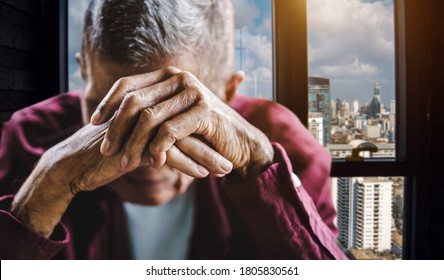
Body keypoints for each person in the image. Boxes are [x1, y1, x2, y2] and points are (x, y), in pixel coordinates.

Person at [0, 0, 346, 259]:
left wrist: (260, 169)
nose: (143, 156)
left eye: (179, 113)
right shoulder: (28, 138)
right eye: (113, 111)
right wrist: (46, 189)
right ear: (84, 74)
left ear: (226, 94)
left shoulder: (283, 147)